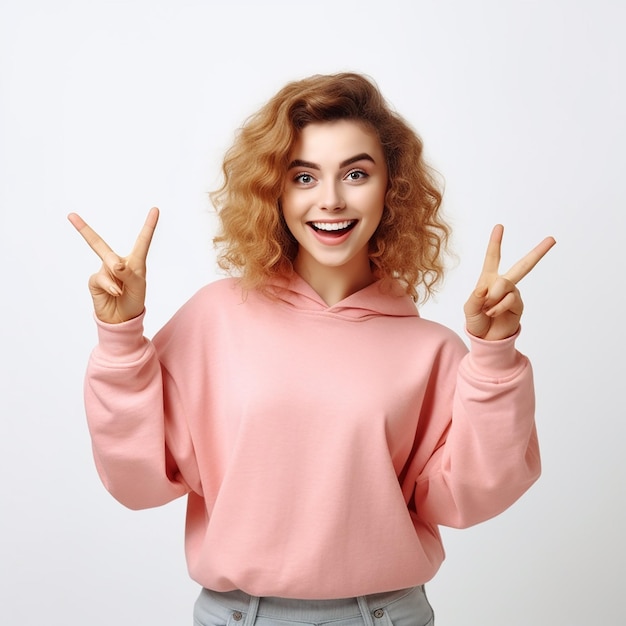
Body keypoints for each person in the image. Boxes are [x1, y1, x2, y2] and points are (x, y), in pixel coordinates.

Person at [68, 72, 555, 626]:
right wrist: (121, 337)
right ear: (274, 189)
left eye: (355, 173)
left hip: (384, 615)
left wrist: (493, 357)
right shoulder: (215, 317)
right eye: (304, 176)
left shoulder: (431, 351)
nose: (330, 200)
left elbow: (473, 495)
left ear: (390, 188)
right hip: (238, 615)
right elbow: (137, 481)